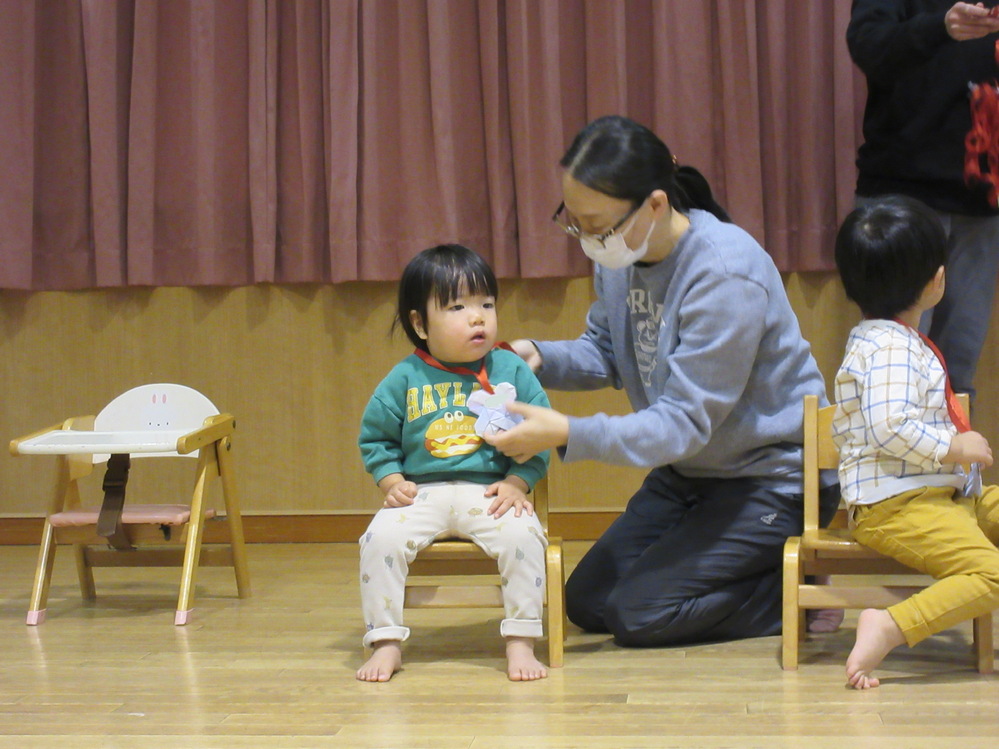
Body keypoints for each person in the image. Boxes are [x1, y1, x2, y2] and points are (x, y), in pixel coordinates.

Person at [483, 115, 840, 647]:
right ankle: (756, 569)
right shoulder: (620, 257)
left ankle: (796, 588)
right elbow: (607, 352)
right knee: (586, 602)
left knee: (639, 615)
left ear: (654, 204)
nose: (584, 237)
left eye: (595, 224)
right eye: (572, 220)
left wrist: (566, 433)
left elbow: (683, 424)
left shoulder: (724, 272)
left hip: (772, 480)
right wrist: (538, 355)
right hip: (690, 475)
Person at [356, 244, 551, 682]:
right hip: (421, 492)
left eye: (486, 304)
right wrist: (390, 480)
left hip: (491, 491)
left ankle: (521, 641)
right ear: (420, 324)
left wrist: (520, 482)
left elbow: (540, 434)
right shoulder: (405, 378)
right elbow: (376, 438)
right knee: (378, 541)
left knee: (524, 537)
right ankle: (386, 642)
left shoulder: (511, 370)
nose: (477, 316)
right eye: (458, 306)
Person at [832, 194, 999, 689]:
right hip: (897, 506)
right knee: (990, 573)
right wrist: (956, 448)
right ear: (936, 281)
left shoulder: (892, 339)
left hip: (940, 498)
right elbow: (890, 426)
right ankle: (889, 625)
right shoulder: (888, 348)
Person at [847, 1, 999, 400]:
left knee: (956, 378)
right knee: (889, 372)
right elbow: (867, 45)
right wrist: (941, 27)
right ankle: (880, 465)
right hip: (902, 198)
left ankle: (956, 464)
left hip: (982, 203)